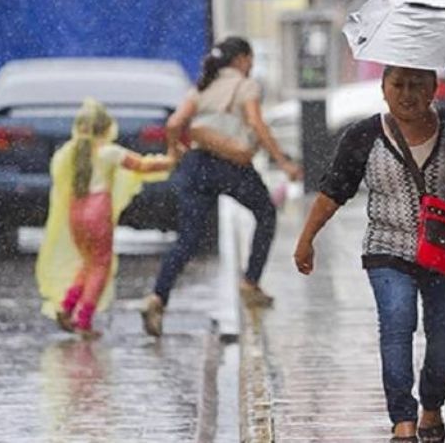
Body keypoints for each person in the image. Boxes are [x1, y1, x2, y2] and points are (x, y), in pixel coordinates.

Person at [293, 65, 445, 443]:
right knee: (397, 323)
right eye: (398, 84)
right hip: (387, 249)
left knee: (444, 337)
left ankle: (432, 406)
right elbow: (335, 189)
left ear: (433, 90)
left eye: (417, 85)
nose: (407, 93)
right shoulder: (364, 135)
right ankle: (403, 420)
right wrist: (306, 238)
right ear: (383, 88)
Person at [141, 36, 303, 337]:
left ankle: (157, 297)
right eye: (250, 59)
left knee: (187, 240)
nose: (252, 65)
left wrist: (176, 151)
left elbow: (175, 123)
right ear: (241, 59)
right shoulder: (245, 85)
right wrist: (282, 161)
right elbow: (255, 123)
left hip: (197, 165)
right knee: (265, 213)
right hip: (231, 166)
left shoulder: (201, 87)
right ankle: (250, 282)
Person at [36, 98, 178, 339]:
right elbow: (142, 165)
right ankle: (84, 320)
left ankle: (67, 306)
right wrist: (172, 159)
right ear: (105, 128)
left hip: (76, 210)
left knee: (87, 262)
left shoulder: (69, 153)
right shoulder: (110, 152)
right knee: (101, 265)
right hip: (98, 211)